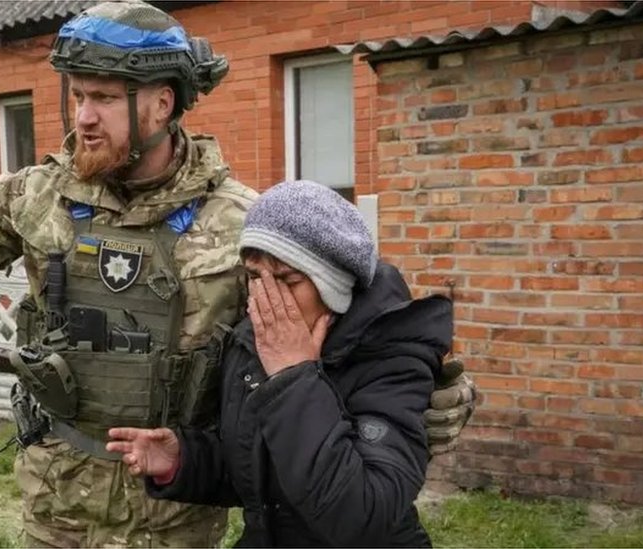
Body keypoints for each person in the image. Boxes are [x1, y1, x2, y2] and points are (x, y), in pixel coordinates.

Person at [0, 2, 474, 547]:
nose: (82, 116)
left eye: (103, 98)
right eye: (78, 96)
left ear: (161, 104)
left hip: (176, 512)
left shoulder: (243, 220)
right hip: (57, 501)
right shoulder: (36, 196)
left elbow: (343, 326)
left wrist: (430, 395)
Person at [107, 180, 451, 547]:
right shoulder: (253, 343)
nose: (264, 296)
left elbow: (362, 514)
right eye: (255, 277)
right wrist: (184, 460)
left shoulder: (392, 357)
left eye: (287, 279)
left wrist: (293, 377)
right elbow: (259, 472)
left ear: (332, 283)